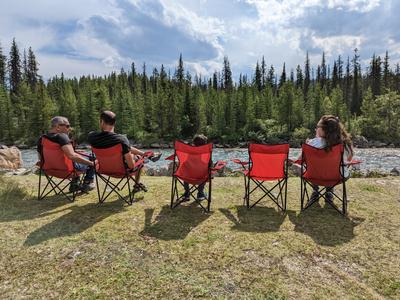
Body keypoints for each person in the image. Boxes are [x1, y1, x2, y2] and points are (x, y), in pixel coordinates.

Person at [88, 111, 161, 191]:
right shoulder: (121, 139)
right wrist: (136, 157)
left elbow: (125, 147)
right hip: (122, 171)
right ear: (114, 123)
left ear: (101, 122)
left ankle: (147, 155)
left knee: (128, 149)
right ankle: (136, 185)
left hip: (103, 170)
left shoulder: (92, 137)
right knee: (139, 158)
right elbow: (131, 166)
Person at [302, 115, 354, 202]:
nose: (316, 128)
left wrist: (316, 139)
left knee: (311, 166)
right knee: (335, 167)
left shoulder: (312, 143)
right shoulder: (344, 143)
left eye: (318, 127)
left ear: (323, 129)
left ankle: (315, 191)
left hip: (314, 177)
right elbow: (349, 160)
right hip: (338, 177)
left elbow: (302, 160)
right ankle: (329, 192)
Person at [37, 116, 96, 193]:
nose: (69, 128)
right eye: (67, 126)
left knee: (80, 155)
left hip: (49, 170)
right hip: (67, 171)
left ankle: (75, 184)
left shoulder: (42, 138)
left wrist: (76, 152)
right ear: (58, 127)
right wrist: (91, 163)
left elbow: (40, 157)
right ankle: (88, 183)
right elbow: (72, 156)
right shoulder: (62, 136)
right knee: (92, 157)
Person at [182, 134, 208, 201]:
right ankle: (200, 193)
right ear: (204, 144)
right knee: (206, 172)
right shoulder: (206, 152)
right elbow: (209, 164)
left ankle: (187, 193)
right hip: (201, 177)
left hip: (188, 177)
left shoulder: (188, 151)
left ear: (194, 143)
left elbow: (184, 162)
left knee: (185, 171)